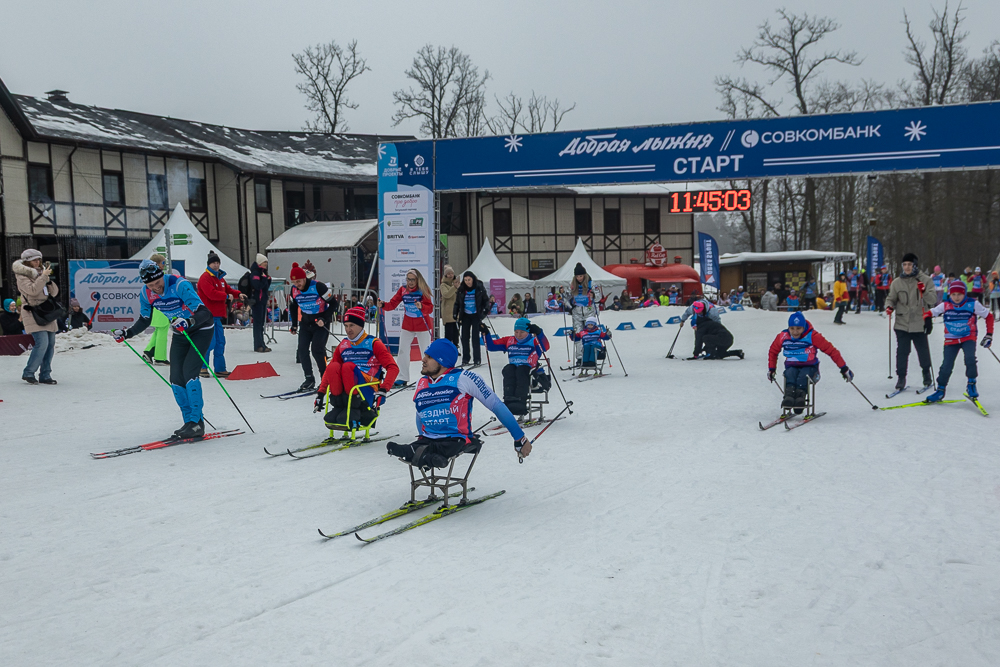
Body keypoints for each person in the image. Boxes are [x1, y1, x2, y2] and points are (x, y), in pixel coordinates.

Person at [385, 339, 531, 468]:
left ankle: (421, 454)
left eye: (429, 357)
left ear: (441, 361)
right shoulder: (422, 383)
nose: (423, 360)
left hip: (455, 438)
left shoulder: (464, 378)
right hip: (430, 438)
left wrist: (520, 438)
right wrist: (422, 436)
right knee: (425, 445)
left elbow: (496, 405)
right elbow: (420, 414)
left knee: (448, 446)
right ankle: (423, 454)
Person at [115, 259, 215, 438]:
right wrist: (127, 333)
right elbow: (145, 319)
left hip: (200, 329)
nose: (156, 288)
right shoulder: (146, 293)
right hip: (180, 333)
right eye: (151, 285)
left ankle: (197, 422)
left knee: (189, 373)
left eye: (158, 283)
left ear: (163, 276)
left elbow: (204, 312)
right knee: (175, 377)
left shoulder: (178, 284)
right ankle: (189, 422)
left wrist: (188, 321)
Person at [314, 306, 399, 430]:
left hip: (366, 390)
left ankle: (354, 409)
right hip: (344, 390)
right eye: (346, 326)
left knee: (348, 367)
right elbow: (330, 371)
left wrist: (384, 390)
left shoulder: (373, 343)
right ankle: (339, 405)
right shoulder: (343, 345)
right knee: (333, 366)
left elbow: (393, 367)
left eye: (352, 325)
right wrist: (320, 394)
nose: (348, 330)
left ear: (360, 325)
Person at [924, 280, 994, 403]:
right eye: (953, 294)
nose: (956, 297)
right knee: (946, 365)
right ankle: (940, 390)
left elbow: (989, 316)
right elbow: (929, 313)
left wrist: (989, 335)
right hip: (951, 339)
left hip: (968, 337)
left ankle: (971, 384)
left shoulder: (972, 304)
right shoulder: (945, 305)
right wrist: (927, 319)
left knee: (970, 359)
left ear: (964, 294)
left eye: (959, 294)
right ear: (950, 294)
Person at [767, 311, 852, 412]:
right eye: (792, 328)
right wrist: (772, 369)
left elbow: (831, 351)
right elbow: (773, 351)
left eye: (798, 328)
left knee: (804, 375)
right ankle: (789, 397)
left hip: (810, 367)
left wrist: (844, 368)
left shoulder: (812, 336)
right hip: (792, 366)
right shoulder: (783, 337)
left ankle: (800, 399)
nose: (795, 332)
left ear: (803, 327)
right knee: (789, 374)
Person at [884, 253, 937, 391]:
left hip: (920, 322)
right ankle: (901, 377)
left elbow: (932, 300)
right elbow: (891, 298)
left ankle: (926, 373)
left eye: (910, 264)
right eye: (905, 265)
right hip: (902, 323)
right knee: (902, 351)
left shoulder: (925, 280)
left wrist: (924, 292)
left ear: (915, 265)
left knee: (922, 350)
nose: (907, 267)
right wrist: (889, 306)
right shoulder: (897, 282)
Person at [483, 317, 551, 416]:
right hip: (514, 373)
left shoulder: (534, 341)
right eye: (516, 332)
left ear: (528, 332)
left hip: (534, 376)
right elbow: (491, 346)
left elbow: (545, 347)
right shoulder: (509, 341)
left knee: (522, 370)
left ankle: (520, 403)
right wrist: (486, 333)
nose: (518, 335)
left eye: (522, 332)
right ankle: (508, 402)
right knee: (508, 369)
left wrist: (539, 333)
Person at [14, 249, 60, 385]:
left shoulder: (42, 273)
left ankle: (45, 374)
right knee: (42, 343)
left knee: (51, 344)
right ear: (27, 261)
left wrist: (49, 280)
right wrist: (43, 277)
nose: (38, 262)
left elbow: (54, 292)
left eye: (39, 259)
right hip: (32, 312)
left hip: (47, 311)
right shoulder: (22, 275)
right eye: (35, 260)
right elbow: (32, 291)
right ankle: (29, 372)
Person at [382, 268, 434, 387]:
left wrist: (421, 306)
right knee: (403, 350)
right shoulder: (403, 290)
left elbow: (430, 308)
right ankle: (402, 377)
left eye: (412, 280)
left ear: (417, 280)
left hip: (422, 325)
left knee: (426, 352)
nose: (410, 282)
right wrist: (383, 305)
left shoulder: (423, 290)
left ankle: (430, 375)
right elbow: (393, 304)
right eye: (408, 279)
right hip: (408, 325)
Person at [288, 261, 336, 391]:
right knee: (302, 350)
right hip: (305, 323)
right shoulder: (294, 290)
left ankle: (326, 380)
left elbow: (334, 304)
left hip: (320, 323)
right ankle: (309, 379)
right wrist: (294, 325)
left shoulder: (318, 287)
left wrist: (324, 319)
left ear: (304, 278)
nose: (297, 285)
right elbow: (293, 307)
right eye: (294, 282)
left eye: (299, 281)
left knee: (317, 350)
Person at [196, 252, 244, 378]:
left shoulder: (220, 278)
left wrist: (238, 294)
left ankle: (220, 369)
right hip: (207, 315)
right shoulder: (205, 278)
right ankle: (202, 367)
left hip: (217, 315)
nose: (216, 265)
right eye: (214, 263)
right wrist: (227, 296)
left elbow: (227, 289)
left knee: (220, 342)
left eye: (217, 263)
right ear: (209, 264)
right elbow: (211, 293)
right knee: (209, 342)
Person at [141, 254, 172, 365]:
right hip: (162, 306)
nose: (164, 265)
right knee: (162, 332)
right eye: (163, 263)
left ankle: (148, 352)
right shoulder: (158, 277)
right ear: (157, 264)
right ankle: (160, 357)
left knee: (159, 331)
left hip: (157, 306)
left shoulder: (151, 276)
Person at [454, 270, 489, 367]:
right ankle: (465, 359)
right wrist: (455, 313)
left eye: (469, 280)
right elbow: (457, 303)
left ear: (473, 279)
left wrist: (485, 310)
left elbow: (486, 300)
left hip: (476, 315)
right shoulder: (462, 289)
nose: (467, 282)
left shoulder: (479, 288)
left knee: (475, 338)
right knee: (464, 337)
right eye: (465, 280)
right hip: (465, 315)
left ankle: (477, 359)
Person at [567, 263, 595, 364]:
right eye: (577, 276)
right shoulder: (572, 286)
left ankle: (591, 356)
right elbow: (566, 298)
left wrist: (594, 295)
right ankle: (579, 357)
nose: (579, 278)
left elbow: (599, 297)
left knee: (590, 334)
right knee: (578, 334)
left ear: (584, 275)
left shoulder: (591, 284)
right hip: (577, 313)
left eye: (581, 276)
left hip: (589, 312)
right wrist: (570, 304)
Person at [249, 253, 272, 353]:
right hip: (257, 301)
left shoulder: (262, 272)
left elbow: (265, 287)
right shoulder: (255, 273)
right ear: (260, 263)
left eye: (266, 262)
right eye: (264, 262)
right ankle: (258, 345)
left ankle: (261, 343)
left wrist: (267, 279)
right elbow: (258, 286)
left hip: (261, 300)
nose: (266, 264)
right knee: (258, 324)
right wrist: (264, 279)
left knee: (260, 324)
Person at [440, 265, 459, 348]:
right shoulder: (443, 285)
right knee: (449, 333)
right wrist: (454, 287)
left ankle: (455, 348)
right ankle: (448, 348)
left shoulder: (457, 284)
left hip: (456, 312)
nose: (451, 275)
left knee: (456, 333)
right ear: (445, 275)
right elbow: (446, 295)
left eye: (452, 273)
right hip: (448, 313)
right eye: (449, 274)